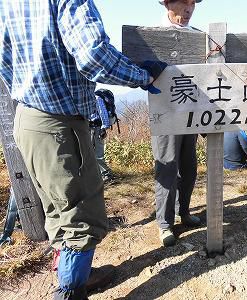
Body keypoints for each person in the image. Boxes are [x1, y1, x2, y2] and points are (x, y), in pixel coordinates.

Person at [0, 1, 166, 299]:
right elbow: (94, 56)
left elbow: (5, 59)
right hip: (60, 125)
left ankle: (77, 273)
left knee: (57, 207)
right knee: (82, 215)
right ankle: (70, 290)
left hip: (27, 117)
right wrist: (143, 76)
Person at [153, 0, 203, 247]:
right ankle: (164, 224)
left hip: (191, 113)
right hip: (165, 115)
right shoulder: (153, 37)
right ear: (167, 4)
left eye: (192, 3)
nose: (188, 8)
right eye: (182, 1)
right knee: (167, 168)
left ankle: (183, 212)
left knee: (189, 168)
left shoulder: (198, 37)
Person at [90, 89, 118, 185]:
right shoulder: (89, 97)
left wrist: (104, 128)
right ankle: (100, 174)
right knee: (91, 152)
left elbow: (103, 113)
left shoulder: (97, 98)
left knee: (98, 153)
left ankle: (107, 175)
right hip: (91, 127)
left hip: (97, 128)